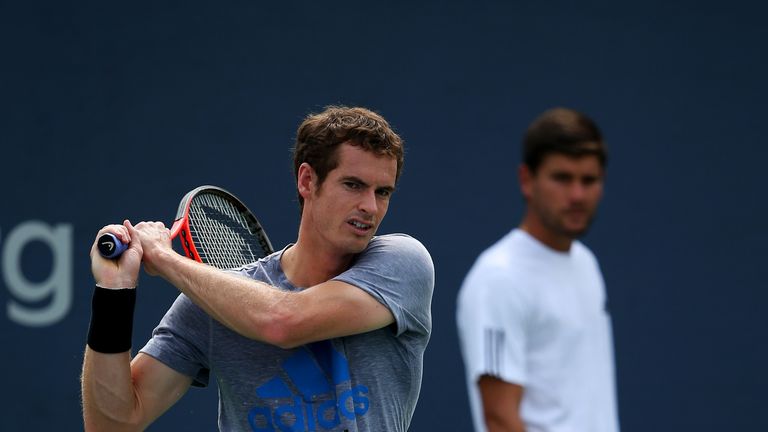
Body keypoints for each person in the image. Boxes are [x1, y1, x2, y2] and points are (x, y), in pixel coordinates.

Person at [81, 106, 435, 431]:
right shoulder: (212, 300)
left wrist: (166, 259)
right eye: (353, 185)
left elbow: (282, 321)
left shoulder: (403, 264)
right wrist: (114, 292)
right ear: (307, 181)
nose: (370, 207)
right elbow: (111, 425)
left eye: (383, 192)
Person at [456, 107, 619, 432]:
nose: (577, 195)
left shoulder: (586, 264)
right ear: (527, 180)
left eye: (589, 180)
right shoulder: (498, 278)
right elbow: (499, 420)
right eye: (562, 178)